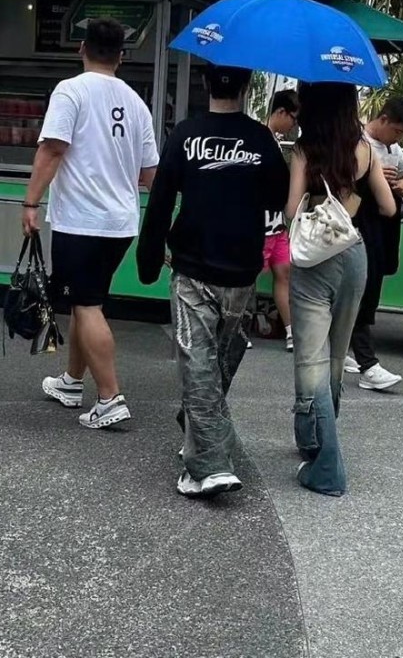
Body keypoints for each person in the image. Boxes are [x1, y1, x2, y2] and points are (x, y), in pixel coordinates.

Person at [137, 65, 290, 498]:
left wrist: (148, 257)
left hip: (193, 263)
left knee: (204, 360)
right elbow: (278, 198)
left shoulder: (185, 134)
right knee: (212, 359)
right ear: (247, 85)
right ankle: (205, 448)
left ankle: (207, 460)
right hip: (242, 268)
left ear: (205, 84)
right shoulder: (262, 139)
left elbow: (161, 200)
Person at [22, 18, 159, 429]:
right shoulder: (136, 103)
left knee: (86, 305)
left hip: (81, 221)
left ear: (81, 48)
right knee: (88, 299)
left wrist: (31, 202)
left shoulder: (71, 90)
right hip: (120, 223)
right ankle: (71, 381)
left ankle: (110, 398)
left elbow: (52, 149)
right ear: (121, 56)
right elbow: (150, 173)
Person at [285, 82, 396, 496]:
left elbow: (291, 210)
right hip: (354, 255)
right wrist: (352, 198)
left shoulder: (304, 149)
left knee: (310, 360)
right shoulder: (365, 148)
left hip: (315, 259)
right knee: (335, 357)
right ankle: (314, 441)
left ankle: (327, 466)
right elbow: (388, 207)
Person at [345, 98, 403, 391]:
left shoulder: (392, 148)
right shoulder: (358, 142)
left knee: (366, 287)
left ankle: (340, 347)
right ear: (384, 119)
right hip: (359, 223)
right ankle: (367, 363)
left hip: (382, 227)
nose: (398, 138)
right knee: (361, 289)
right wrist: (372, 174)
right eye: (397, 131)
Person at [263, 89, 300, 352]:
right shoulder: (261, 139)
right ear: (281, 112)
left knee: (284, 272)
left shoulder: (273, 140)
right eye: (293, 119)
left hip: (277, 224)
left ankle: (290, 331)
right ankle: (237, 326)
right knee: (249, 276)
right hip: (262, 223)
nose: (293, 125)